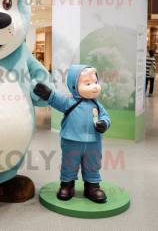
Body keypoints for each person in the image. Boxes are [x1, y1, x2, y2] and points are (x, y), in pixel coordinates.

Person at [33, 65, 110, 203]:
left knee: (93, 163)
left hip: (93, 141)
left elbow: (105, 116)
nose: (94, 87)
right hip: (72, 140)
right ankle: (67, 185)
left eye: (95, 82)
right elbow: (58, 100)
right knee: (69, 162)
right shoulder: (70, 103)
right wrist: (48, 94)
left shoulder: (97, 105)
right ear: (74, 86)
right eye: (88, 83)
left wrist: (104, 123)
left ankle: (92, 187)